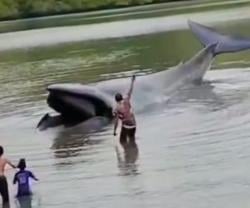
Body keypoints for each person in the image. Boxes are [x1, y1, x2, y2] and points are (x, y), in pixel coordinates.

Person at [113, 75, 137, 144]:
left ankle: (129, 153)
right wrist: (132, 81)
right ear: (122, 98)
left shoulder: (116, 108)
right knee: (132, 141)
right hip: (134, 125)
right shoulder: (127, 100)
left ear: (116, 100)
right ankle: (133, 153)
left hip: (126, 126)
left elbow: (116, 121)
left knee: (122, 142)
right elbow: (130, 90)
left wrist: (114, 131)